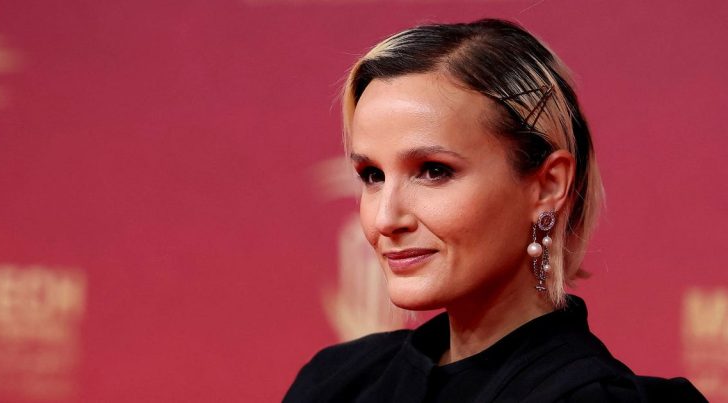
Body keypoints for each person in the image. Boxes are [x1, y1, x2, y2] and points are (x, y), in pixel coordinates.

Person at [284, 19, 706, 402]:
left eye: (434, 171)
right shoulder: (337, 382)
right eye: (372, 175)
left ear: (548, 185)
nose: (385, 219)